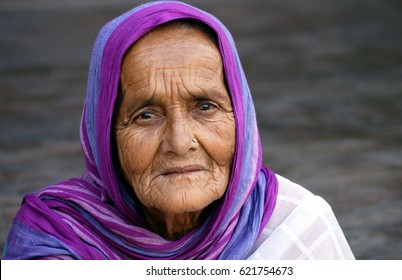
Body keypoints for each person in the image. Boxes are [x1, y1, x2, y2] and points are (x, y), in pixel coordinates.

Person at [3, 1, 354, 260]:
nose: (180, 142)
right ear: (104, 136)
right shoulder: (54, 238)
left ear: (242, 120)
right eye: (145, 115)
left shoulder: (295, 229)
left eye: (205, 106)